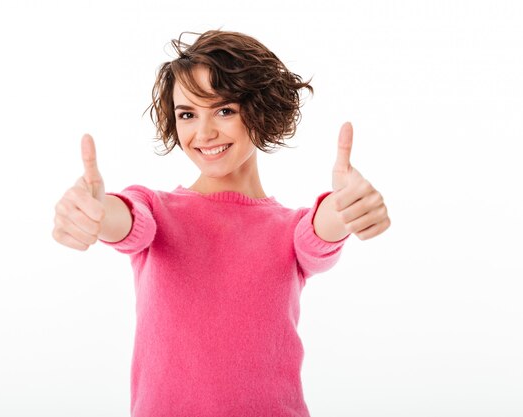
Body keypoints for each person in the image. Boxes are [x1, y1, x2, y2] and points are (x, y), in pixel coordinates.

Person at [52, 30, 390, 417]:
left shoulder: (289, 230)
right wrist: (91, 212)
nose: (204, 132)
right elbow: (125, 222)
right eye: (187, 114)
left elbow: (321, 229)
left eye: (224, 110)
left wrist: (345, 206)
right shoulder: (155, 210)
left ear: (261, 110)